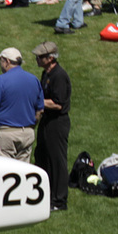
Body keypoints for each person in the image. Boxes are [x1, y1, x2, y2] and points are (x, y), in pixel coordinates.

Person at [28, 41, 73, 212]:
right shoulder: (46, 74)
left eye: (40, 57)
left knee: (57, 160)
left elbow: (58, 104)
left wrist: (37, 102)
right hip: (47, 121)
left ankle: (59, 200)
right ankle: (45, 194)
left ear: (51, 58)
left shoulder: (59, 76)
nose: (37, 59)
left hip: (57, 123)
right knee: (42, 156)